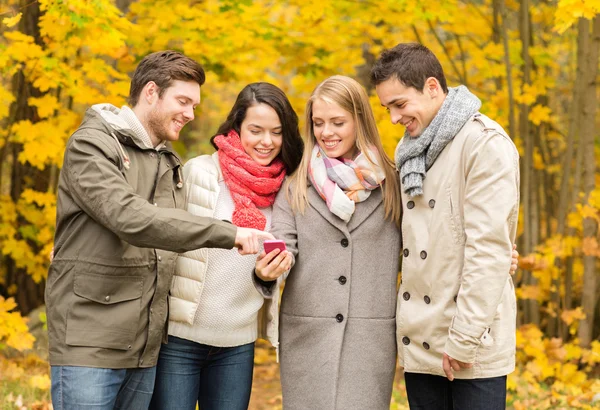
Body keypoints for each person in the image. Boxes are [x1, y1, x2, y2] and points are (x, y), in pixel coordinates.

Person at [46, 51, 272, 410]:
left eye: (194, 105)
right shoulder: (92, 144)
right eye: (183, 101)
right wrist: (229, 233)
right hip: (89, 344)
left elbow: (174, 237)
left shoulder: (167, 162)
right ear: (150, 92)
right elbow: (131, 217)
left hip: (144, 348)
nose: (190, 114)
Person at [371, 43, 520, 409]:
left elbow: (487, 251)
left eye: (400, 105)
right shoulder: (412, 152)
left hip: (470, 342)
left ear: (433, 87)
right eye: (387, 108)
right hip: (422, 339)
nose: (393, 118)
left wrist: (464, 339)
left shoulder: (484, 145)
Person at [149, 82, 304, 410]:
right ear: (237, 126)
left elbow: (276, 264)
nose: (266, 142)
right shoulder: (200, 173)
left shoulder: (287, 189)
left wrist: (266, 275)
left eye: (276, 132)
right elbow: (163, 236)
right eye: (256, 130)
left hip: (237, 344)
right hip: (180, 339)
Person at [266, 75, 403, 410]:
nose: (326, 133)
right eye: (318, 123)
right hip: (306, 339)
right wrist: (268, 267)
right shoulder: (295, 187)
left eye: (338, 122)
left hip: (369, 340)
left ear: (361, 120)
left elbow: (426, 245)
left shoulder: (394, 185)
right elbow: (283, 248)